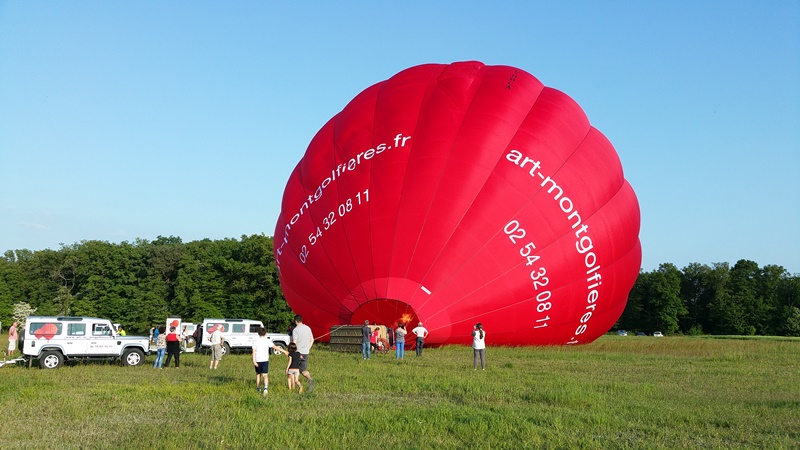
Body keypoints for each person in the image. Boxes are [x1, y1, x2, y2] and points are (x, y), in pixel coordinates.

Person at [252, 327, 285, 396]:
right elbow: (275, 347)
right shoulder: (267, 340)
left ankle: (258, 388)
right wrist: (284, 351)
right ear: (265, 333)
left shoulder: (255, 341)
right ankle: (265, 388)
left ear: (258, 333)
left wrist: (254, 361)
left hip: (257, 360)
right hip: (265, 360)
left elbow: (253, 352)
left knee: (258, 374)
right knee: (265, 375)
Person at [291, 315, 315, 391]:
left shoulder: (295, 330)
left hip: (297, 352)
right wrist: (308, 348)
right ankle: (310, 379)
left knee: (293, 369)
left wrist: (292, 352)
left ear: (295, 321)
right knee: (303, 370)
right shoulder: (308, 328)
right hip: (306, 352)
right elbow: (312, 339)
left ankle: (293, 387)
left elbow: (294, 342)